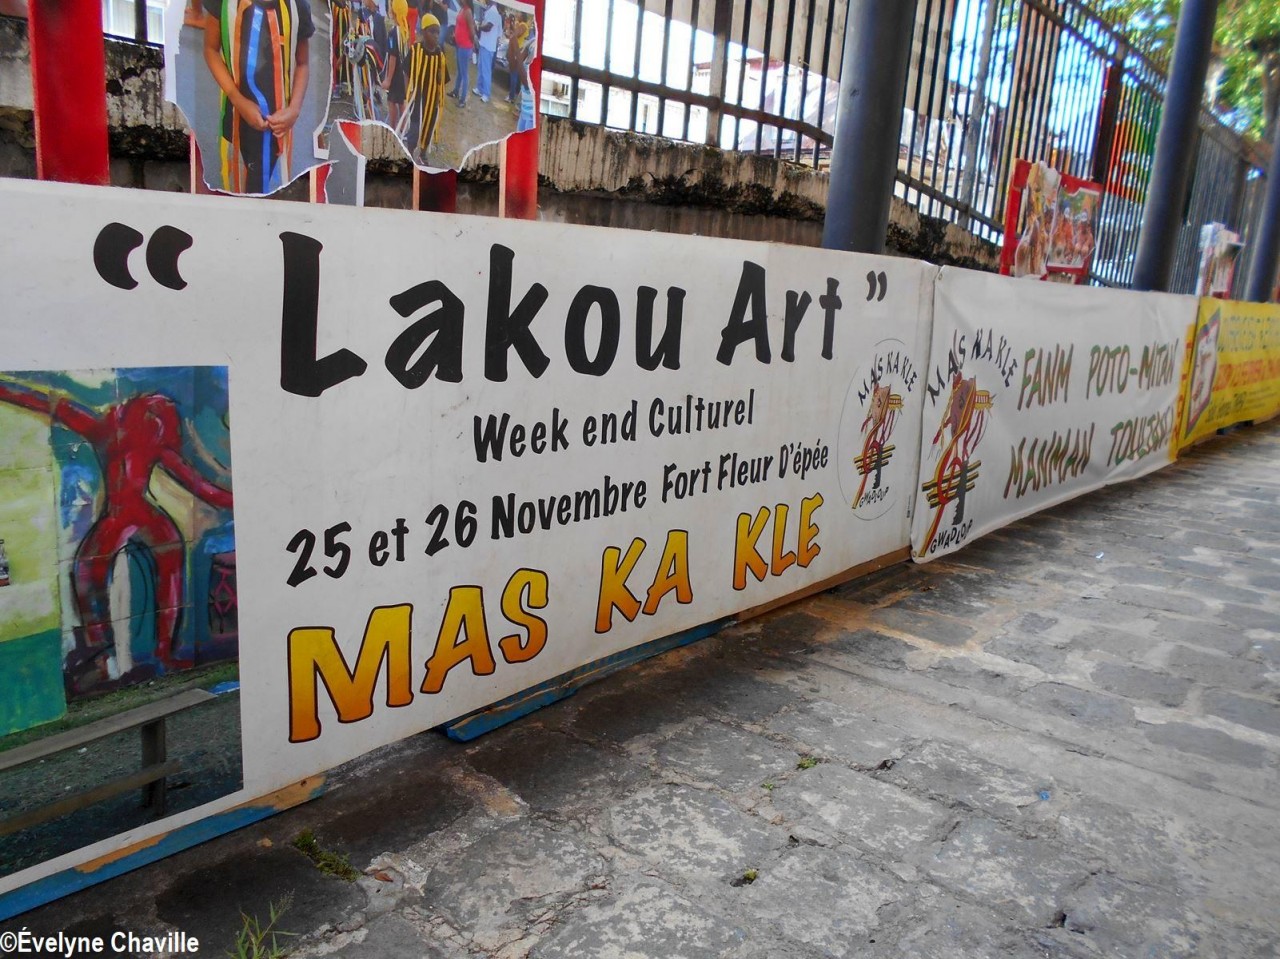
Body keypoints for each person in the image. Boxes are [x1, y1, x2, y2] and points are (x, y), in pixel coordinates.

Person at [0, 380, 233, 693]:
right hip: (126, 516)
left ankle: (146, 651)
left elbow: (201, 487)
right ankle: (120, 653)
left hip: (130, 515)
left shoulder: (127, 433)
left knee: (105, 568)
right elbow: (48, 403)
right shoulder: (119, 430)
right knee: (92, 570)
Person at [202, 0, 313, 194]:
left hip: (279, 128)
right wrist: (237, 99)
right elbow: (210, 49)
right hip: (236, 120)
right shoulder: (224, 3)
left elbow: (302, 63)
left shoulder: (298, 6)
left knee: (269, 195)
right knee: (235, 190)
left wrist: (294, 110)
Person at [398, 13, 450, 165]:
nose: (435, 36)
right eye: (432, 31)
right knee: (415, 127)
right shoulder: (416, 50)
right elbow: (406, 72)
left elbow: (443, 79)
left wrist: (439, 94)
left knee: (428, 127)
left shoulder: (440, 54)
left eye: (437, 32)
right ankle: (410, 150)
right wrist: (407, 93)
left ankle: (422, 153)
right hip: (418, 97)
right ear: (423, 32)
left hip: (432, 99)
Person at [382, 0, 411, 128]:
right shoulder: (406, 28)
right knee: (401, 102)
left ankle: (393, 128)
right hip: (403, 72)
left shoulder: (393, 33)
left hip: (395, 74)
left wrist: (388, 79)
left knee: (392, 101)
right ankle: (403, 128)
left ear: (394, 12)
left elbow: (392, 57)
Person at [473, 0, 502, 103]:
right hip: (485, 44)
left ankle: (486, 94)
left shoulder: (493, 12)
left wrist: (478, 27)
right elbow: (499, 34)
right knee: (481, 67)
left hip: (488, 46)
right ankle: (479, 88)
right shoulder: (493, 12)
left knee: (485, 70)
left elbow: (488, 27)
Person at [448, 0, 475, 105]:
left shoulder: (468, 12)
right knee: (460, 71)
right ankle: (456, 91)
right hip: (459, 44)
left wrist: (471, 44)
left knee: (464, 73)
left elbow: (472, 32)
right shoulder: (462, 10)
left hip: (465, 46)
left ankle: (463, 99)